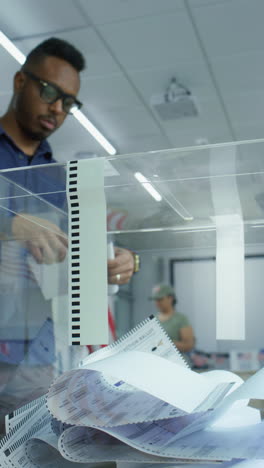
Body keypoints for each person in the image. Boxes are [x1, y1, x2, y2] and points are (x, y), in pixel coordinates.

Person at [0, 37, 139, 423]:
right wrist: (8, 224)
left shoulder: (59, 178)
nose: (57, 109)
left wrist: (121, 260)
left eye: (69, 103)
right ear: (19, 81)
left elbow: (74, 251)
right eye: (49, 92)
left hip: (37, 352)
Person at [150, 284, 195, 354]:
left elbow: (189, 345)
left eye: (160, 299)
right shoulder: (153, 320)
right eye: (155, 300)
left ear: (170, 298)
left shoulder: (181, 319)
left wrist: (166, 343)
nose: (157, 303)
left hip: (175, 362)